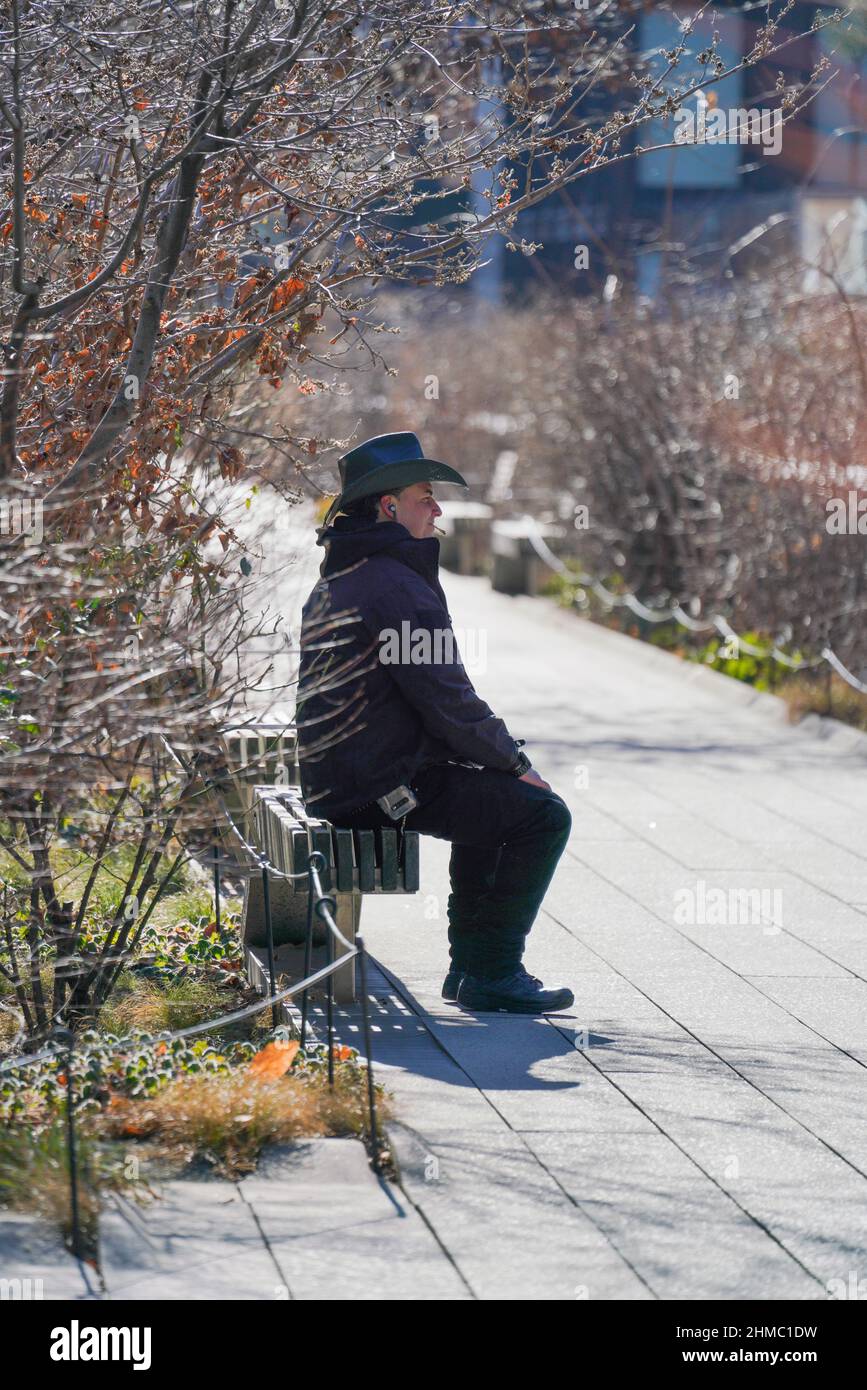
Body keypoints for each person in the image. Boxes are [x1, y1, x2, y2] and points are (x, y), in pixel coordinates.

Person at [296, 430, 574, 1014]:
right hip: (377, 789)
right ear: (389, 507)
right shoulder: (395, 586)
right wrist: (516, 763)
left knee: (492, 799)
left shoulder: (348, 573)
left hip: (346, 780)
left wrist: (492, 760)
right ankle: (490, 970)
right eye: (426, 495)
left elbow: (434, 701)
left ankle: (475, 972)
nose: (438, 508)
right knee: (542, 816)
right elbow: (447, 700)